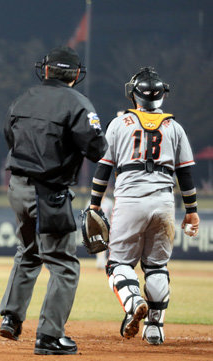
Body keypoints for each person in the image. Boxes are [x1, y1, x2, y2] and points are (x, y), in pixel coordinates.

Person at [0, 46, 107, 355]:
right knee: (64, 264)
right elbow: (98, 149)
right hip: (49, 192)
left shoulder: (23, 98)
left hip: (17, 187)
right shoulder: (78, 103)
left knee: (28, 251)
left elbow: (9, 136)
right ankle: (49, 336)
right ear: (74, 74)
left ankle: (11, 317)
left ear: (45, 71)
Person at [89, 67, 199, 345]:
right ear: (162, 95)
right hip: (163, 202)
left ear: (133, 94)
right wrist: (192, 211)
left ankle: (132, 301)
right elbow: (185, 174)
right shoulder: (175, 127)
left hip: (129, 201)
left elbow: (103, 169)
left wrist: (94, 204)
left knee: (118, 264)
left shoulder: (119, 124)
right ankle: (155, 329)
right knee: (157, 267)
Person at [95, 195, 113, 269]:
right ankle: (100, 260)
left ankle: (101, 261)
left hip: (105, 226)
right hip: (95, 226)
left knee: (103, 243)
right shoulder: (92, 201)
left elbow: (112, 215)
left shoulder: (109, 202)